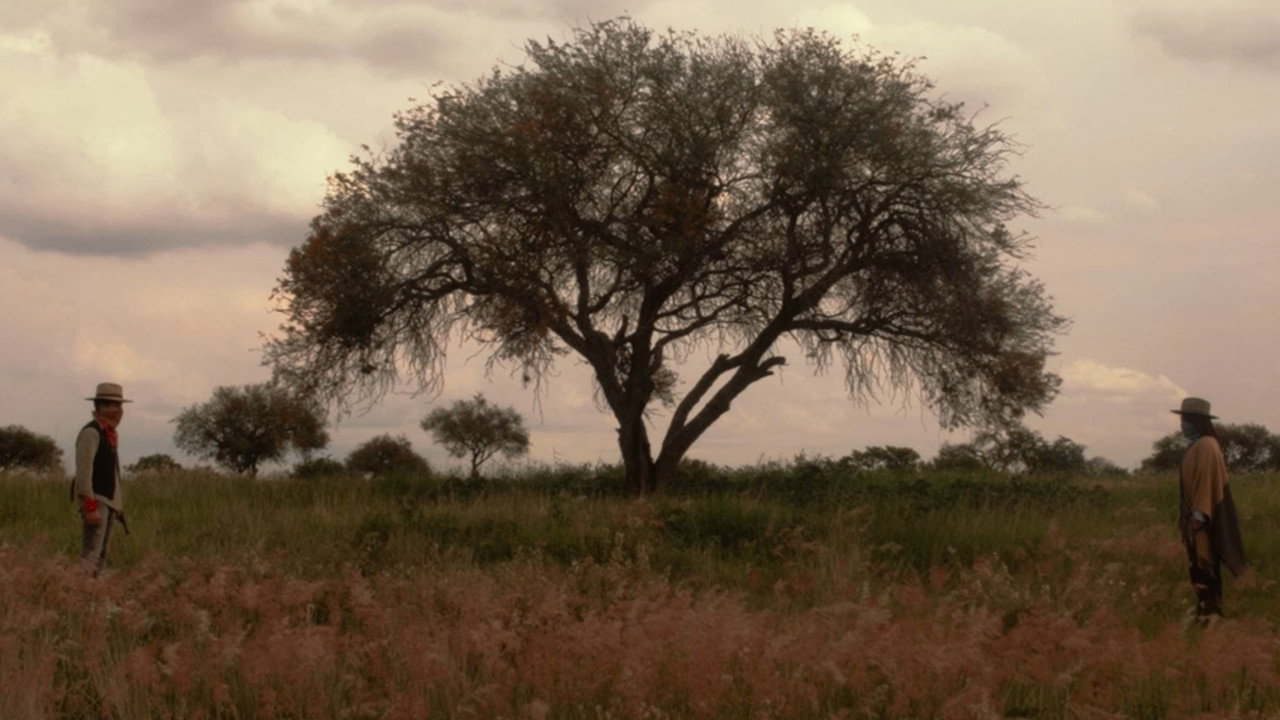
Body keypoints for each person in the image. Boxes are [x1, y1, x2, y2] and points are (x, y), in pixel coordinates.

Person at [1173, 397, 1246, 623]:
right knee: (1199, 565)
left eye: (1186, 419)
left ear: (1197, 421)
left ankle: (1211, 614)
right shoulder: (1198, 445)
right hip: (1196, 517)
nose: (1183, 424)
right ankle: (1207, 612)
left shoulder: (1206, 445)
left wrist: (1199, 515)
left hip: (1203, 518)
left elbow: (1206, 482)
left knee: (1205, 565)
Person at [72, 382, 130, 577]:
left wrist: (118, 504)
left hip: (108, 502)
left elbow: (113, 471)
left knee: (102, 556)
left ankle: (95, 592)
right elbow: (83, 473)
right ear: (100, 407)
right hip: (96, 500)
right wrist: (90, 507)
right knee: (91, 555)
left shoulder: (110, 434)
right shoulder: (91, 432)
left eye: (119, 405)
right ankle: (83, 591)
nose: (118, 410)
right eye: (111, 405)